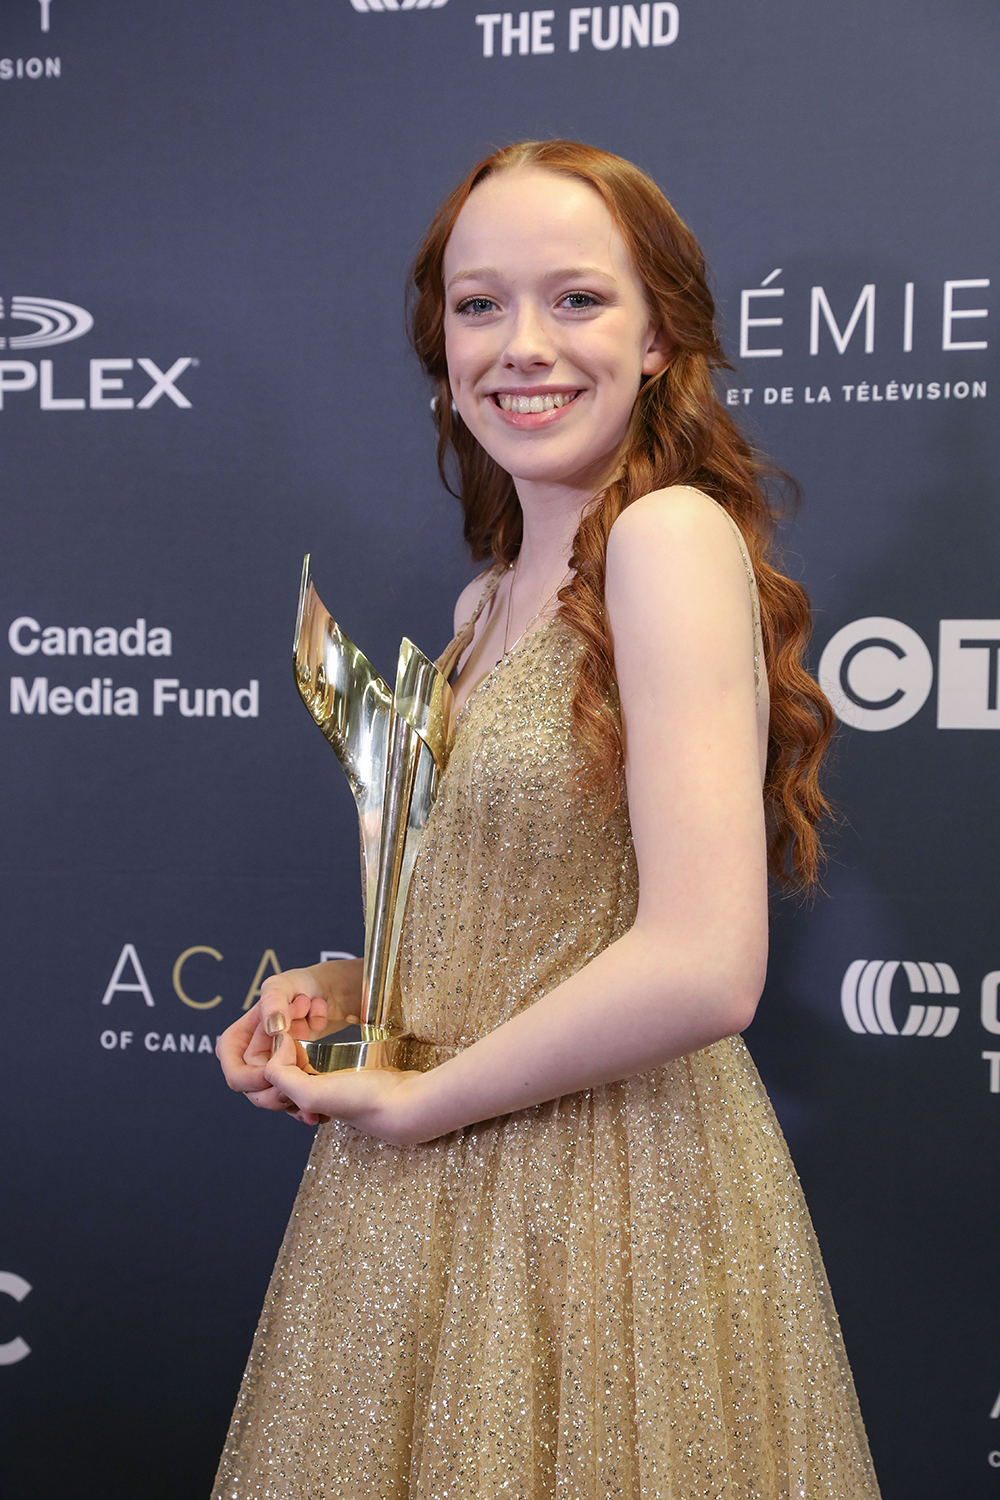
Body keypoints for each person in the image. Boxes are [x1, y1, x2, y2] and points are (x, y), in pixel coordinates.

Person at [213, 140, 880, 1500]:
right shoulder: (487, 602)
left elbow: (706, 963)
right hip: (432, 1198)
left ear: (659, 339)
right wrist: (352, 998)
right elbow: (513, 919)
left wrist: (429, 1102)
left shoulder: (666, 539)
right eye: (478, 305)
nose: (523, 346)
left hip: (608, 1205)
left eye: (577, 299)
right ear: (439, 342)